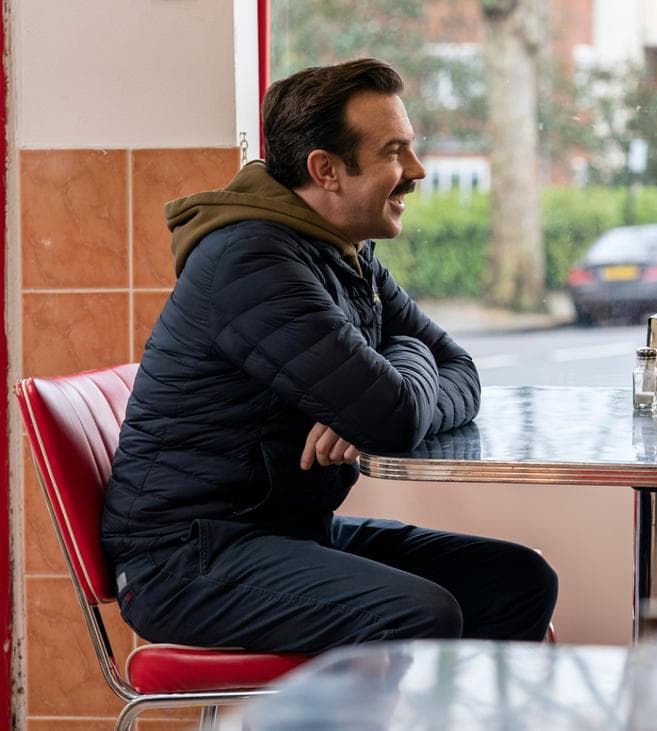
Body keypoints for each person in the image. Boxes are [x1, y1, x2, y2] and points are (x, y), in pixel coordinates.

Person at [101, 58, 558, 653]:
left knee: (516, 581)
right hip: (187, 560)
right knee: (415, 613)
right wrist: (395, 370)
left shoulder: (344, 253)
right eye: (395, 152)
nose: (416, 172)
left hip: (282, 532)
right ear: (326, 170)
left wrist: (385, 379)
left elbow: (461, 371)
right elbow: (394, 417)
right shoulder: (254, 262)